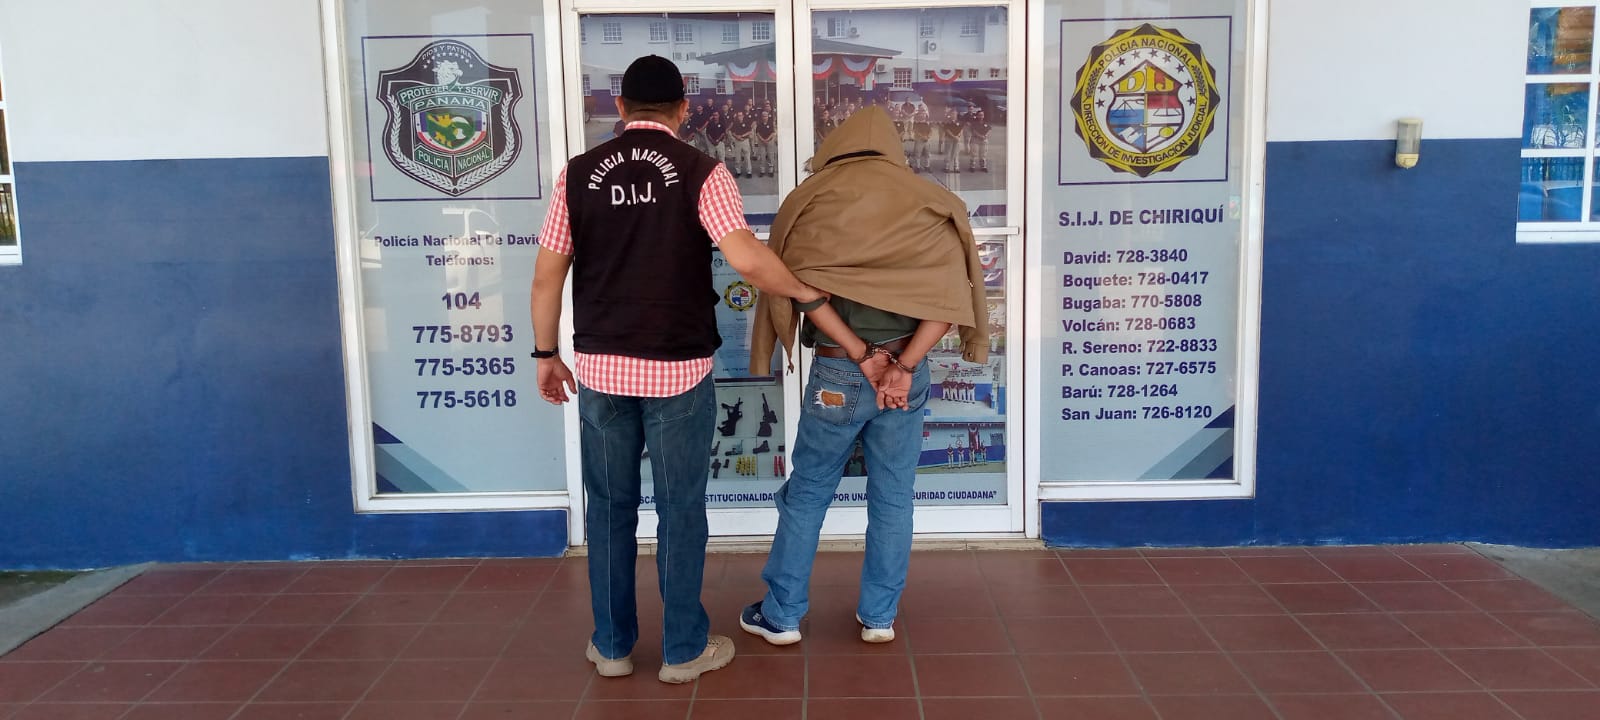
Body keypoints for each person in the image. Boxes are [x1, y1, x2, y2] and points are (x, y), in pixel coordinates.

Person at [530, 55, 823, 684]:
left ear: (620, 107)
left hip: (602, 369)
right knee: (680, 508)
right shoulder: (701, 171)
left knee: (609, 508)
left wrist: (546, 354)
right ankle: (683, 650)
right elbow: (746, 258)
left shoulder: (575, 176)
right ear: (683, 110)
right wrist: (804, 292)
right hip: (678, 370)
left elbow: (547, 275)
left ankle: (611, 647)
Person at [739, 106, 989, 646]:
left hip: (838, 370)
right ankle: (879, 616)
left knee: (809, 491)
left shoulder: (811, 200)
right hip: (906, 373)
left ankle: (782, 615)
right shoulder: (932, 201)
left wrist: (859, 353)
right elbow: (949, 299)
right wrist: (904, 366)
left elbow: (799, 291)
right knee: (894, 495)